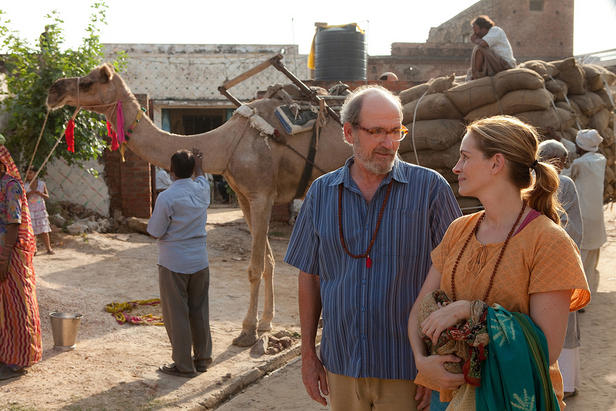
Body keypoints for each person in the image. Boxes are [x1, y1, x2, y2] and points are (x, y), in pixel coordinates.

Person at [284, 85, 461, 410]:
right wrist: (308, 354)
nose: (389, 143)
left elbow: (455, 275)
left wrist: (431, 360)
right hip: (342, 364)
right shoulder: (321, 193)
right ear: (349, 132)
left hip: (408, 367)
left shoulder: (430, 190)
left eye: (396, 131)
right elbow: (309, 276)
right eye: (377, 131)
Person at [408, 116, 590, 410]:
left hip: (514, 397)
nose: (456, 168)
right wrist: (422, 361)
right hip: (449, 397)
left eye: (465, 158)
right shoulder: (459, 230)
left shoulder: (548, 241)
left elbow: (545, 349)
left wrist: (470, 310)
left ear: (496, 163)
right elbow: (420, 307)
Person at [147, 148, 212, 378]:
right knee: (199, 310)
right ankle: (203, 359)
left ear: (171, 171)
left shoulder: (166, 197)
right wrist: (200, 167)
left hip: (173, 262)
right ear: (192, 170)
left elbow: (155, 231)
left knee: (177, 315)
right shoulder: (203, 190)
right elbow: (202, 178)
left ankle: (184, 365)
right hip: (200, 260)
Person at [538, 139, 584, 399]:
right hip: (560, 260)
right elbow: (574, 229)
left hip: (541, 261)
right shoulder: (564, 183)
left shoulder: (528, 182)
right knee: (564, 323)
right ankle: (565, 385)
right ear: (559, 162)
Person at [0, 144, 42, 380]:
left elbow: (14, 223)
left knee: (17, 304)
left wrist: (5, 257)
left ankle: (18, 359)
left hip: (12, 253)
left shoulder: (11, 186)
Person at [567, 129, 606, 294]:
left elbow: (566, 177)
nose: (575, 145)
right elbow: (578, 148)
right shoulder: (600, 159)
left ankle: (580, 296)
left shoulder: (579, 164)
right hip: (596, 214)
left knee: (580, 257)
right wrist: (558, 138)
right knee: (592, 255)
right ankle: (588, 290)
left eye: (577, 143)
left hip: (583, 215)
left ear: (581, 147)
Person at [468, 15, 516, 80]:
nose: (476, 33)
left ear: (483, 28)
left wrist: (475, 40)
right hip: (495, 63)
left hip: (505, 64)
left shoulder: (495, 30)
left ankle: (476, 76)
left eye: (476, 30)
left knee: (479, 48)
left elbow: (483, 43)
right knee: (470, 71)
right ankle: (476, 75)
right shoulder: (485, 36)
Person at [25, 167, 54, 255]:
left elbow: (47, 196)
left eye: (31, 173)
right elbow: (23, 198)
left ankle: (49, 248)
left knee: (44, 230)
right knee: (32, 231)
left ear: (35, 174)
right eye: (27, 173)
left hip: (40, 210)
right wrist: (29, 194)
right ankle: (34, 249)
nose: (29, 175)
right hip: (30, 210)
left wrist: (40, 193)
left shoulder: (42, 184)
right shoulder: (25, 185)